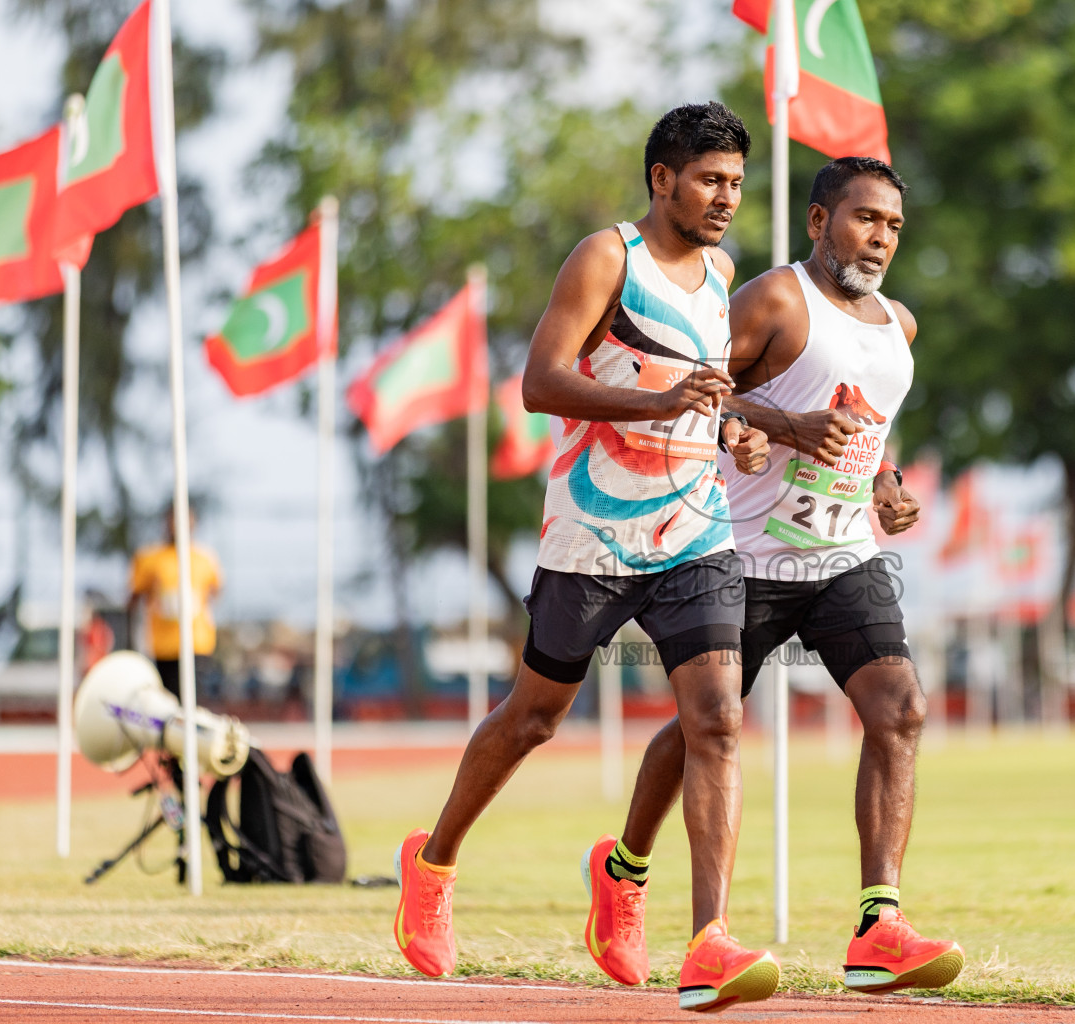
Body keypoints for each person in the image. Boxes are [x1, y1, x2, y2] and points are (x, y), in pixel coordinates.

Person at [392, 102, 780, 1014]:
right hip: (594, 532)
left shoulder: (722, 273)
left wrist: (735, 433)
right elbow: (540, 383)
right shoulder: (607, 257)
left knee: (716, 719)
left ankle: (708, 938)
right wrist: (665, 406)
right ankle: (435, 860)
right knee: (533, 719)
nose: (727, 199)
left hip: (696, 530)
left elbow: (701, 392)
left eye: (736, 183)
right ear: (663, 179)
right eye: (711, 180)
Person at [582, 156, 964, 995]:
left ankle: (880, 925)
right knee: (700, 732)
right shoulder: (773, 300)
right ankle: (624, 868)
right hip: (740, 555)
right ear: (819, 221)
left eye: (894, 225)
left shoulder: (898, 326)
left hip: (840, 558)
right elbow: (703, 393)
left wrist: (888, 488)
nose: (881, 238)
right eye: (866, 218)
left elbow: (863, 437)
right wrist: (761, 431)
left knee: (901, 711)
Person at [128, 506, 223, 698]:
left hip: (197, 641)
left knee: (195, 697)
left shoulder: (204, 557)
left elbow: (216, 591)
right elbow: (134, 597)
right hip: (164, 645)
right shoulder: (150, 558)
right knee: (171, 699)